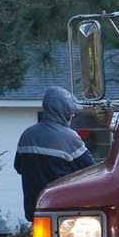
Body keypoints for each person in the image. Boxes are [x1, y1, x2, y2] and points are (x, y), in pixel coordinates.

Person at [14, 86, 95, 221]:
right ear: (64, 111)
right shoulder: (70, 138)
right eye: (71, 110)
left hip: (35, 211)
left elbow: (19, 167)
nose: (73, 115)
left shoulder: (27, 135)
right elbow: (91, 173)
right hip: (64, 212)